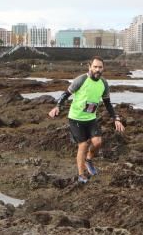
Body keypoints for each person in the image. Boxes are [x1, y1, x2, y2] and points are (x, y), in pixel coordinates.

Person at [47, 56, 125, 184]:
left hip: (91, 119)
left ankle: (89, 160)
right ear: (90, 67)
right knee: (83, 145)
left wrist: (116, 118)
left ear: (103, 68)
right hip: (76, 118)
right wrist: (57, 107)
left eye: (100, 67)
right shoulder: (81, 80)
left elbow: (108, 103)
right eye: (95, 67)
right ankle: (81, 174)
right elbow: (65, 94)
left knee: (98, 142)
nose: (97, 69)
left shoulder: (103, 84)